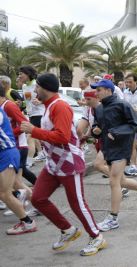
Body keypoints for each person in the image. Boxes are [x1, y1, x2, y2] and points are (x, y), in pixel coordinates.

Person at [20, 73, 106, 256]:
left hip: (69, 163)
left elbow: (62, 136)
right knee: (37, 198)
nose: (34, 90)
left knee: (77, 204)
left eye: (37, 87)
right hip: (53, 164)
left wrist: (34, 131)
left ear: (45, 88)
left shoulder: (59, 106)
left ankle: (97, 237)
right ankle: (68, 230)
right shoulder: (49, 106)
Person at [91, 79, 137, 231]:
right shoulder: (99, 108)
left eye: (98, 89)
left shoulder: (122, 104)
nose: (96, 93)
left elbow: (135, 124)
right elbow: (98, 125)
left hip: (121, 147)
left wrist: (117, 132)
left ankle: (113, 218)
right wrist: (96, 130)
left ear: (108, 90)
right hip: (107, 146)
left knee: (114, 181)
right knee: (121, 180)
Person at [0, 85, 37, 235]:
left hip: (8, 153)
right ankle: (23, 199)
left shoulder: (6, 106)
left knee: (4, 193)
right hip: (7, 151)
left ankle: (27, 222)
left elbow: (24, 123)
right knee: (12, 186)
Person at [19, 66, 46, 166]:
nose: (19, 76)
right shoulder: (24, 86)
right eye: (19, 74)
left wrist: (40, 101)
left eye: (21, 73)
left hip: (40, 114)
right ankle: (41, 153)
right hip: (31, 114)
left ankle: (28, 162)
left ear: (28, 74)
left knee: (30, 136)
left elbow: (47, 97)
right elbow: (27, 101)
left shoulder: (37, 84)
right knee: (35, 136)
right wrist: (21, 104)